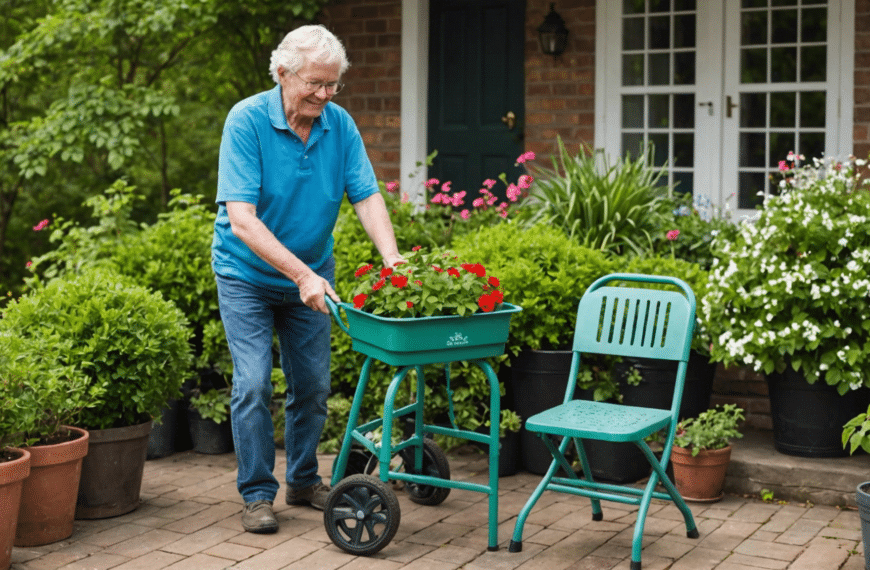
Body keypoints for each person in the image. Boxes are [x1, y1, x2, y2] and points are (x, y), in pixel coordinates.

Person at [211, 24, 403, 534]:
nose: (324, 95)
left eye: (332, 85)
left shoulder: (339, 126)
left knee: (313, 385)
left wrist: (392, 259)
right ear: (282, 73)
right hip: (246, 274)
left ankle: (302, 479)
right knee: (253, 383)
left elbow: (365, 195)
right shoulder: (247, 120)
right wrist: (301, 275)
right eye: (315, 84)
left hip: (311, 273)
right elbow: (243, 218)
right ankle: (256, 493)